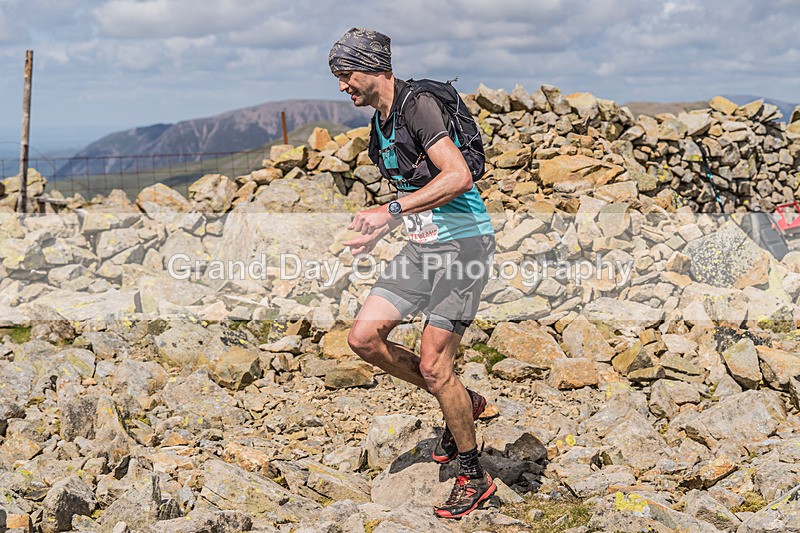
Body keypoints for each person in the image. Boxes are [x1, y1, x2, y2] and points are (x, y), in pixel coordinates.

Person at [329, 28, 497, 519]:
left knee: (433, 363)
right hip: (423, 249)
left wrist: (391, 211)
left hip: (464, 247)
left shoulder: (418, 106)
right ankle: (461, 402)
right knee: (363, 337)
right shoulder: (379, 125)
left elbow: (458, 175)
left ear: (372, 66)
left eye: (345, 75)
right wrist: (380, 231)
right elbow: (410, 194)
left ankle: (473, 474)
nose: (342, 87)